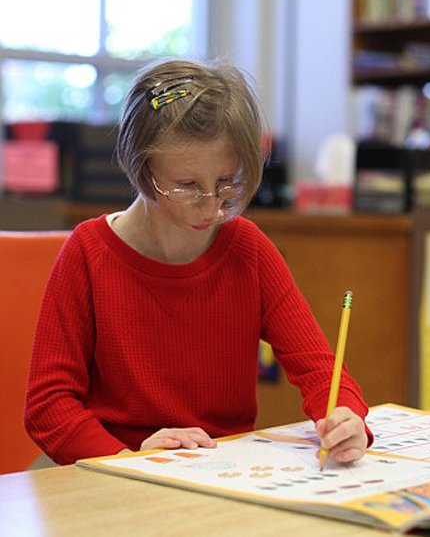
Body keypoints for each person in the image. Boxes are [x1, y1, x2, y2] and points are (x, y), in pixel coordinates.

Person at [24, 59, 371, 465]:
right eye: (187, 186)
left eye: (227, 182)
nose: (211, 205)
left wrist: (346, 415)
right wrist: (126, 458)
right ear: (141, 166)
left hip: (219, 469)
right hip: (114, 469)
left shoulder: (248, 250)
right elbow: (48, 405)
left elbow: (318, 369)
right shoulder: (88, 253)